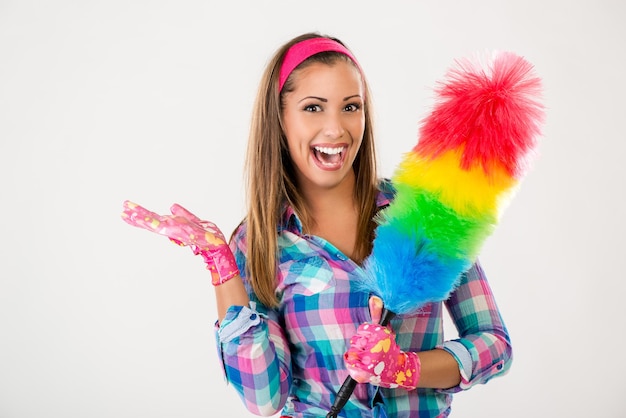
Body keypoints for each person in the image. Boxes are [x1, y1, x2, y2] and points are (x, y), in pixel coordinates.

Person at [122, 32, 512, 417]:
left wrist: (406, 368)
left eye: (350, 107)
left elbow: (494, 344)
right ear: (280, 118)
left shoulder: (425, 214)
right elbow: (264, 399)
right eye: (313, 108)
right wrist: (221, 267)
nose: (335, 129)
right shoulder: (259, 242)